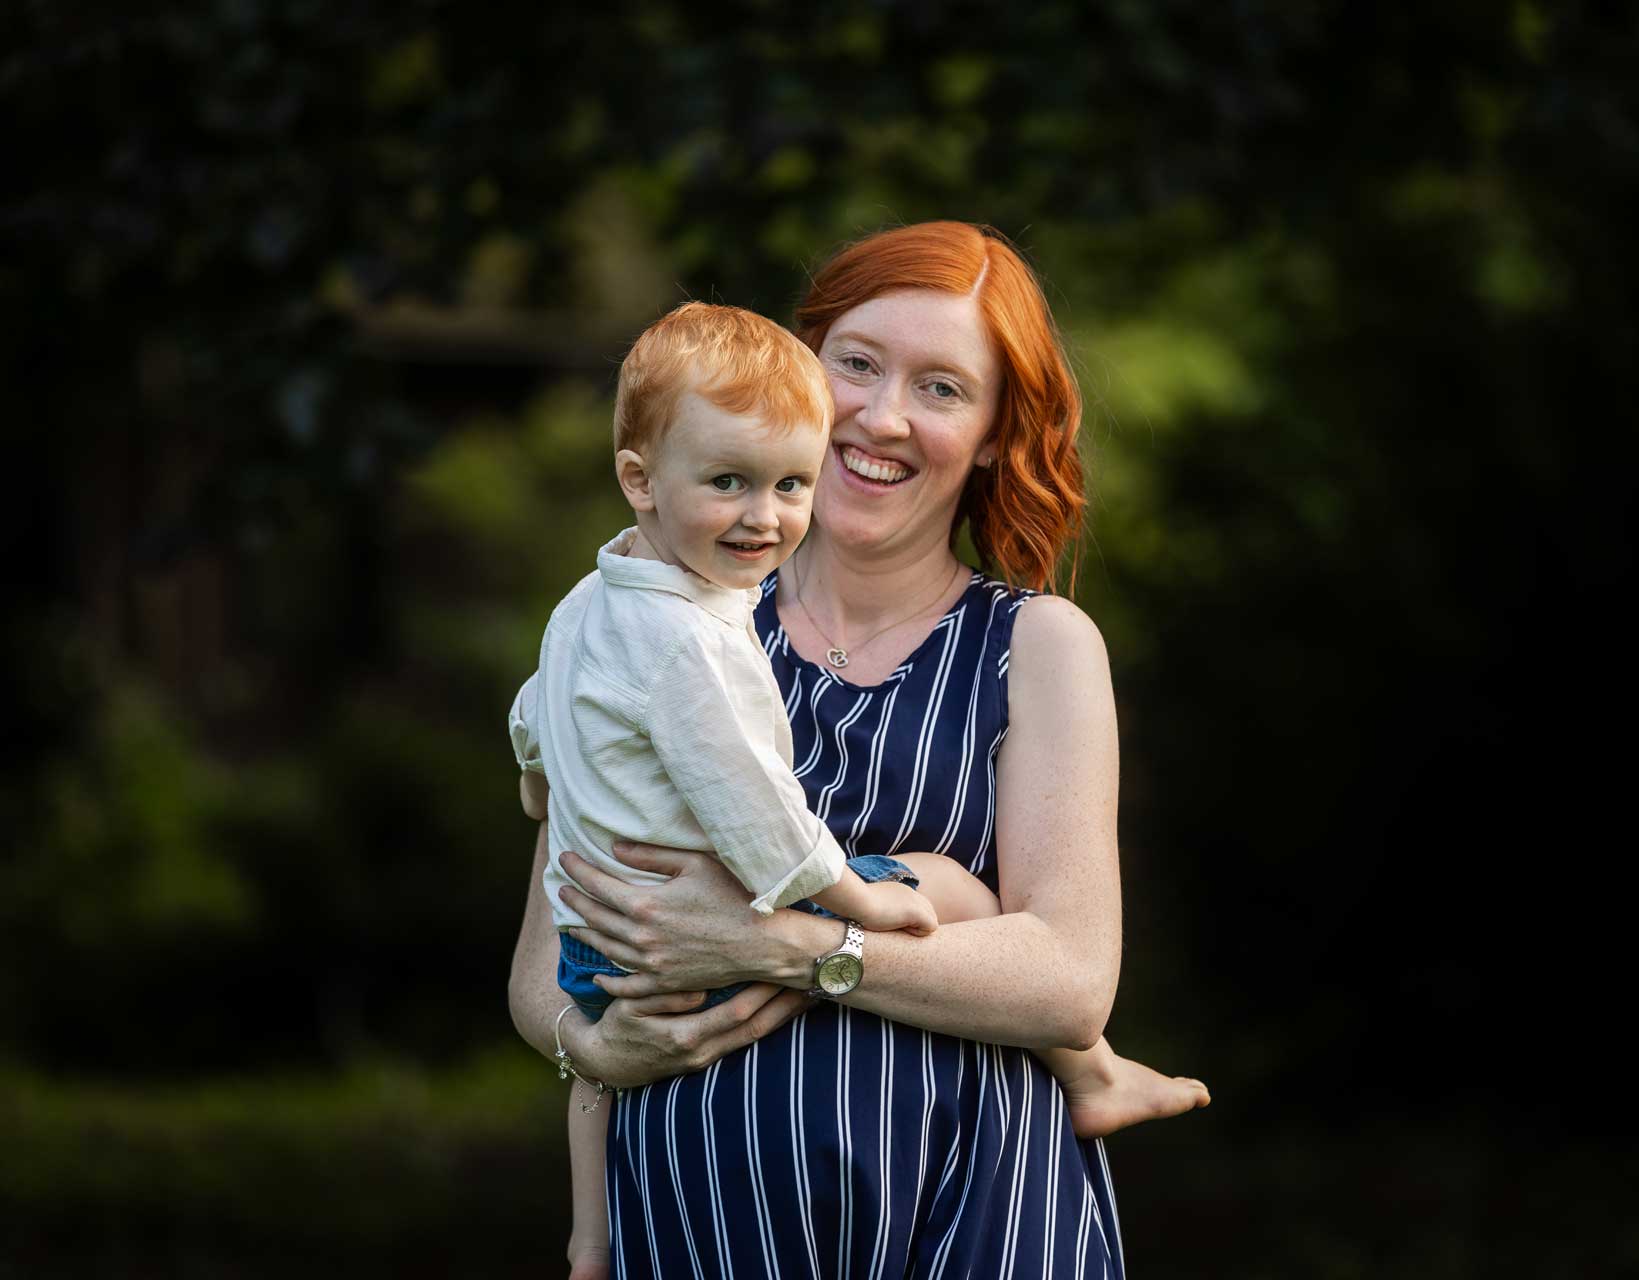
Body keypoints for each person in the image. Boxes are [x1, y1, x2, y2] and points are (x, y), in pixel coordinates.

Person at [510, 222, 1208, 1279]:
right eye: (857, 364)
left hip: (976, 1199)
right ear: (795, 374)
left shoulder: (1036, 647)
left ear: (987, 433)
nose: (881, 416)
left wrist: (772, 945)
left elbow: (1070, 981)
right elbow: (540, 967)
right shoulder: (652, 629)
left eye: (941, 388)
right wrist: (593, 1045)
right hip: (705, 1210)